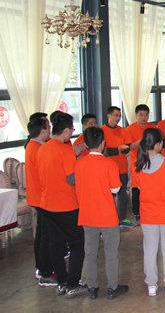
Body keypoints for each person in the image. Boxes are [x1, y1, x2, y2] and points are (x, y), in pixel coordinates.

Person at [74, 127, 128, 300]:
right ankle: (112, 287)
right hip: (107, 215)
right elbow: (116, 189)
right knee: (111, 252)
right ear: (103, 143)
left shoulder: (79, 163)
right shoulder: (109, 164)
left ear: (86, 144)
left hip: (87, 214)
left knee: (90, 252)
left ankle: (92, 287)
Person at [37, 112, 87, 298]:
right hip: (65, 205)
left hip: (47, 205)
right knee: (77, 243)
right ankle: (73, 284)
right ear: (65, 130)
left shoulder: (43, 148)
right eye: (72, 130)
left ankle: (62, 282)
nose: (72, 133)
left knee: (55, 244)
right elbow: (71, 179)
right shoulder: (66, 151)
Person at [132, 128, 165, 297]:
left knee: (150, 250)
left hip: (148, 215)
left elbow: (139, 187)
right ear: (159, 144)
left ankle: (151, 285)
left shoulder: (138, 165)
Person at [25, 117, 55, 287]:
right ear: (42, 131)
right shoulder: (38, 149)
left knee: (41, 234)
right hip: (42, 197)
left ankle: (41, 268)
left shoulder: (33, 145)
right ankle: (45, 274)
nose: (50, 129)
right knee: (45, 236)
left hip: (38, 196)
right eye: (48, 127)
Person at [101, 106, 134, 228]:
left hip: (122, 168)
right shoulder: (102, 131)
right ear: (108, 116)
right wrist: (117, 149)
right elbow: (102, 151)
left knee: (122, 195)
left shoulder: (122, 130)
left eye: (119, 116)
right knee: (107, 196)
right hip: (107, 169)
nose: (118, 118)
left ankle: (121, 218)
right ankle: (107, 220)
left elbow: (128, 146)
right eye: (115, 115)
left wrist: (124, 149)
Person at [125, 104, 157, 224]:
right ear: (136, 115)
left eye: (146, 114)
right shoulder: (130, 129)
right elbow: (129, 147)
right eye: (141, 115)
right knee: (136, 189)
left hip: (152, 161)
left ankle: (151, 210)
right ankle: (137, 213)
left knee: (152, 188)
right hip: (136, 162)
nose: (144, 117)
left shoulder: (152, 127)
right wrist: (142, 140)